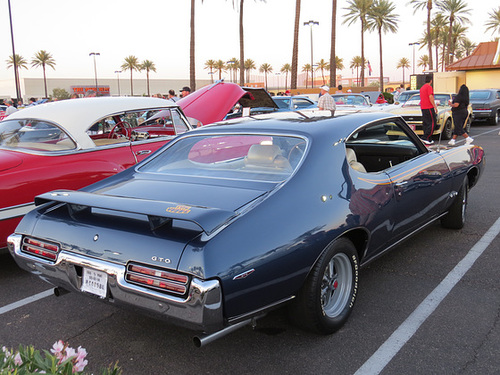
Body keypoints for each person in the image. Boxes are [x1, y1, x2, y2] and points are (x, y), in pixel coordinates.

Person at [419, 75, 437, 144]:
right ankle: (425, 137)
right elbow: (430, 97)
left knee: (426, 123)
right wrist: (434, 106)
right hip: (429, 107)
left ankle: (429, 138)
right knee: (432, 122)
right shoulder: (429, 87)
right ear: (431, 81)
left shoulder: (422, 88)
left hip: (423, 107)